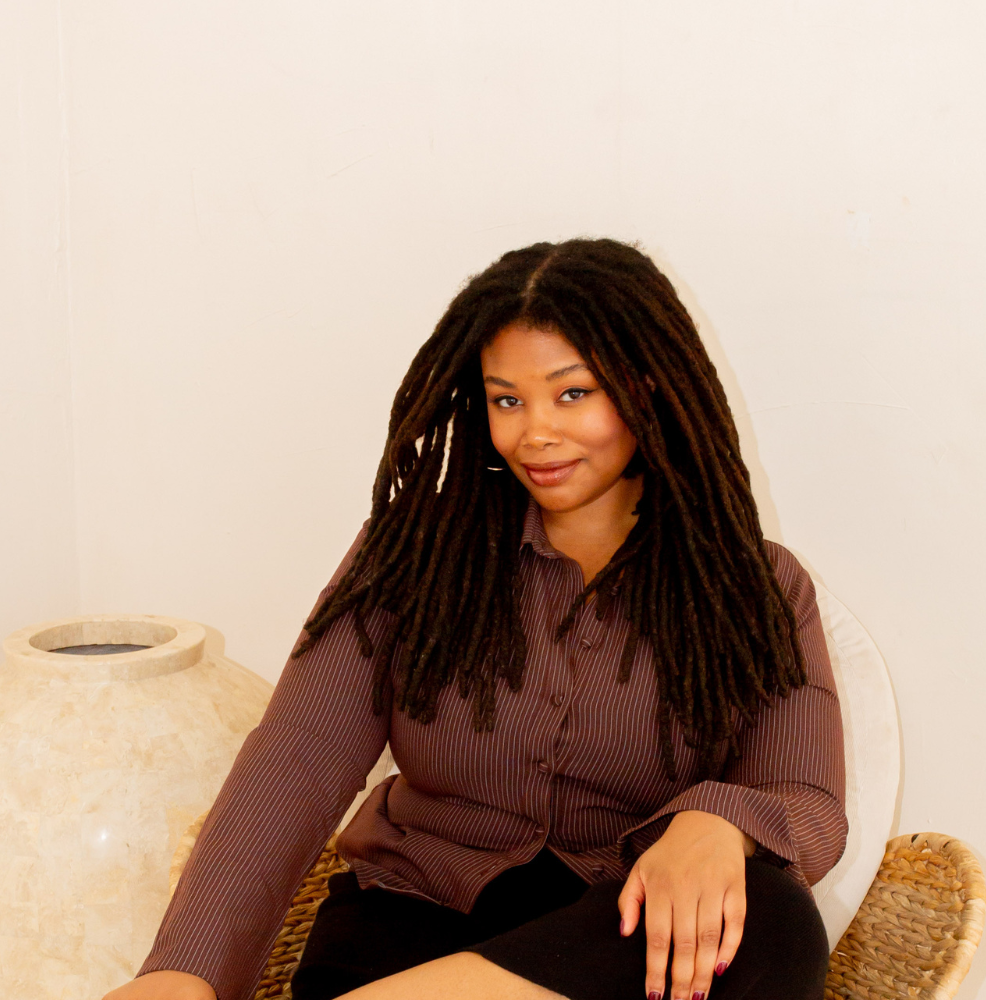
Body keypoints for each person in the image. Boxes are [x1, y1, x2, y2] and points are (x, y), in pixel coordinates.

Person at [106, 238, 847, 1000]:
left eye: (572, 393)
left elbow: (809, 799)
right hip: (404, 935)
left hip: (604, 945)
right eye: (506, 400)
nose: (534, 434)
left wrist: (717, 819)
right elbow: (296, 758)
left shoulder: (759, 584)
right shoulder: (417, 550)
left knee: (775, 917)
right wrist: (183, 971)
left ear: (649, 386)